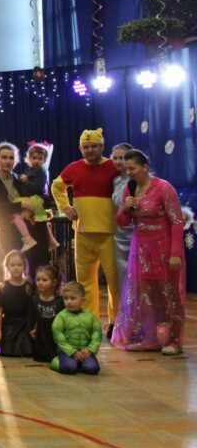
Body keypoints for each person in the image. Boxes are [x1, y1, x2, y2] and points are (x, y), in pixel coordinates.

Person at [111, 149, 186, 355]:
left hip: (163, 248)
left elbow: (177, 221)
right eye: (126, 169)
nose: (129, 172)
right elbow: (121, 222)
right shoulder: (130, 189)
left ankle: (174, 340)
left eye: (132, 168)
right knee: (145, 294)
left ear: (145, 167)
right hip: (140, 249)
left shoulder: (163, 188)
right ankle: (150, 337)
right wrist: (125, 208)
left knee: (169, 294)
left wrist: (175, 254)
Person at [51, 128, 119, 330]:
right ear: (80, 148)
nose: (90, 150)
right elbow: (56, 186)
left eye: (94, 146)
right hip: (82, 233)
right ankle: (90, 321)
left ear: (102, 146)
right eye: (86, 147)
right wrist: (65, 208)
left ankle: (117, 323)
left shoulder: (114, 167)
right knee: (85, 281)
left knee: (115, 282)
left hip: (110, 233)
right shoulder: (74, 168)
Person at [11, 141, 58, 254]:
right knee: (35, 220)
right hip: (29, 198)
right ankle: (51, 240)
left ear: (44, 160)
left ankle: (27, 239)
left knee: (17, 216)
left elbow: (37, 187)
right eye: (34, 158)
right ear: (29, 158)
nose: (37, 161)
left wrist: (25, 181)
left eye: (40, 159)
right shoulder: (29, 170)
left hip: (35, 198)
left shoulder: (42, 172)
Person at [51, 281, 101, 375]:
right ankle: (56, 361)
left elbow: (96, 333)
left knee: (93, 368)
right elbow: (58, 335)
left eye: (73, 298)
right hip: (66, 351)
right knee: (69, 368)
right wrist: (72, 352)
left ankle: (77, 363)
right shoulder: (61, 316)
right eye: (66, 298)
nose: (69, 301)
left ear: (83, 300)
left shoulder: (90, 316)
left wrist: (90, 350)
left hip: (84, 351)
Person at [0, 250, 34, 357]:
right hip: (9, 325)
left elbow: (33, 309)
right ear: (7, 266)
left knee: (28, 351)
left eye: (19, 265)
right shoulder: (2, 288)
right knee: (7, 352)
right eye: (12, 265)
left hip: (25, 325)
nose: (16, 268)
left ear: (24, 266)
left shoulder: (29, 287)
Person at [110, 143, 135, 286]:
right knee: (123, 273)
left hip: (136, 229)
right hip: (121, 232)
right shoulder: (116, 180)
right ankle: (125, 300)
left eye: (122, 158)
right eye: (115, 158)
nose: (118, 161)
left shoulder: (137, 179)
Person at [27, 265, 63, 363]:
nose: (40, 282)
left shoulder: (60, 301)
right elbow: (30, 318)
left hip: (54, 337)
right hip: (40, 337)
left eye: (44, 280)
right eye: (38, 280)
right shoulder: (34, 300)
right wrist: (31, 331)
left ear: (54, 283)